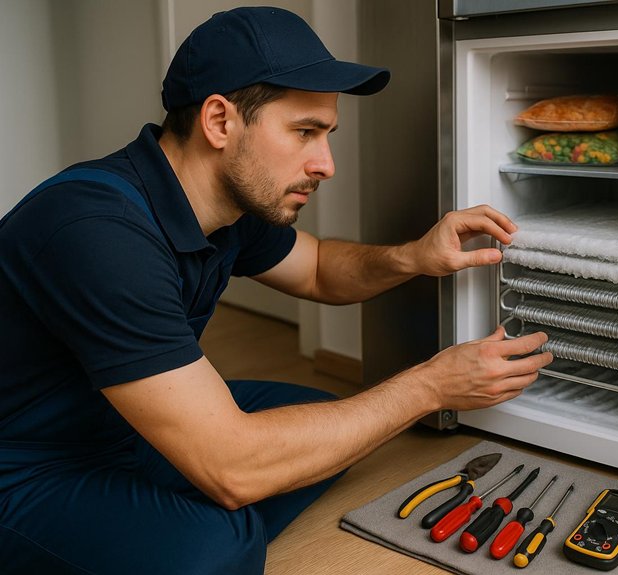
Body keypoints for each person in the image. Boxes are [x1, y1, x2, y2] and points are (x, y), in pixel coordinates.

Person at [0, 7, 552, 574]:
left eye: (327, 135)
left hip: (118, 424)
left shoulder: (225, 203)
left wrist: (413, 256)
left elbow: (318, 269)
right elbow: (234, 468)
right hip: (25, 462)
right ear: (220, 121)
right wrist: (430, 386)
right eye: (305, 132)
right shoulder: (98, 231)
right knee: (220, 548)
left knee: (324, 423)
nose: (326, 164)